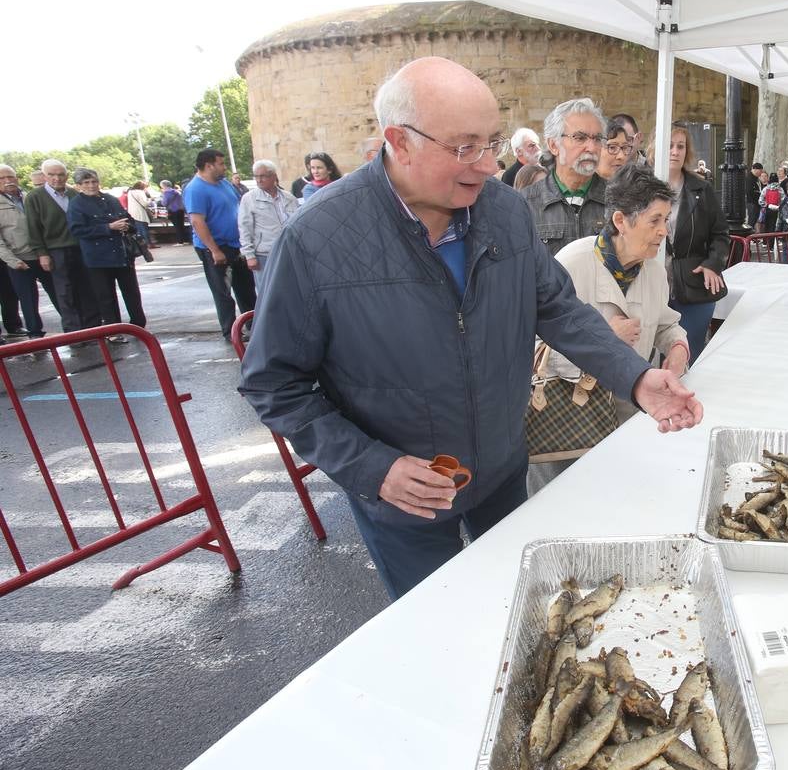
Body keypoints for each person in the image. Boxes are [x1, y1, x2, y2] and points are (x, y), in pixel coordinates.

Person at [238, 57, 702, 600]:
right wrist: (373, 468)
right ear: (399, 141)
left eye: (492, 143)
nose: (485, 164)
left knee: (519, 607)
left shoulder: (503, 211)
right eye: (464, 148)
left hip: (503, 470)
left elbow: (557, 306)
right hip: (404, 497)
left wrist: (637, 377)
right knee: (437, 629)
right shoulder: (317, 238)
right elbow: (274, 384)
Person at [529, 163, 691, 490]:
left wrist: (677, 347)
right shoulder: (571, 263)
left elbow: (664, 324)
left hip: (628, 420)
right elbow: (532, 345)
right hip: (567, 430)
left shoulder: (654, 271)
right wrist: (605, 339)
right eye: (655, 221)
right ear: (620, 221)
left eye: (666, 220)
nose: (664, 231)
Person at [665, 123, 729, 363]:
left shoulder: (701, 189)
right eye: (669, 145)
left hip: (692, 285)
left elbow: (720, 233)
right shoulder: (642, 187)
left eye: (680, 146)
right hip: (650, 286)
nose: (675, 151)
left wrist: (714, 263)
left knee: (690, 357)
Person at [66, 168, 145, 342]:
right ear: (79, 186)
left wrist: (127, 225)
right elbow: (77, 230)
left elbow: (128, 218)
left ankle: (139, 326)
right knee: (106, 296)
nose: (91, 185)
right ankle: (113, 330)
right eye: (86, 183)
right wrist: (108, 227)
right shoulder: (77, 204)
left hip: (121, 254)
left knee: (131, 292)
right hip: (98, 258)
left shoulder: (110, 199)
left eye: (93, 181)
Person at [522, 98, 609, 256]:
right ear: (554, 145)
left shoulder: (618, 199)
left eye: (597, 139)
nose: (591, 147)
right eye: (580, 138)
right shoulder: (526, 203)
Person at [185, 148, 256, 339]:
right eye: (221, 164)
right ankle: (230, 331)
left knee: (246, 288)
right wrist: (214, 250)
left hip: (236, 244)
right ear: (209, 166)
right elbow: (197, 221)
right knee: (223, 291)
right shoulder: (195, 189)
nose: (224, 168)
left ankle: (254, 325)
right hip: (217, 247)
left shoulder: (223, 183)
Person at [25, 159, 99, 332]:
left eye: (60, 174)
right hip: (56, 250)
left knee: (88, 287)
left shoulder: (75, 194)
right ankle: (73, 331)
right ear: (44, 176)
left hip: (82, 247)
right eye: (51, 175)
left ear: (66, 176)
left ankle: (93, 327)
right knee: (65, 292)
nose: (56, 178)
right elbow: (33, 227)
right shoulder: (35, 197)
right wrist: (41, 253)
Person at [0, 164, 53, 339]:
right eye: (3, 178)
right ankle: (35, 335)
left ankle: (76, 329)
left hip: (41, 253)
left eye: (11, 177)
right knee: (28, 299)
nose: (8, 181)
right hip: (18, 258)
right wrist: (12, 261)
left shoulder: (28, 197)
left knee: (57, 291)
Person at [238, 159, 300, 297]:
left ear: (273, 176)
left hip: (287, 252)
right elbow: (244, 228)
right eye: (256, 176)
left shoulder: (288, 197)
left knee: (290, 291)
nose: (259, 180)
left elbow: (297, 223)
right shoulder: (249, 199)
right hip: (264, 254)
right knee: (267, 294)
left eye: (263, 176)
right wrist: (249, 255)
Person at [124, 180, 155, 249]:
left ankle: (141, 244)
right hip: (140, 213)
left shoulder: (130, 192)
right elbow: (145, 203)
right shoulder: (140, 192)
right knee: (144, 229)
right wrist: (150, 199)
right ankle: (148, 244)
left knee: (138, 229)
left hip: (132, 213)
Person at [159, 180, 189, 244]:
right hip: (180, 210)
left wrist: (162, 199)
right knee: (181, 225)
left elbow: (164, 203)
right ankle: (184, 240)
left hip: (173, 210)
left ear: (164, 185)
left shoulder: (167, 192)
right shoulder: (176, 191)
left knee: (177, 226)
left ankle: (180, 241)